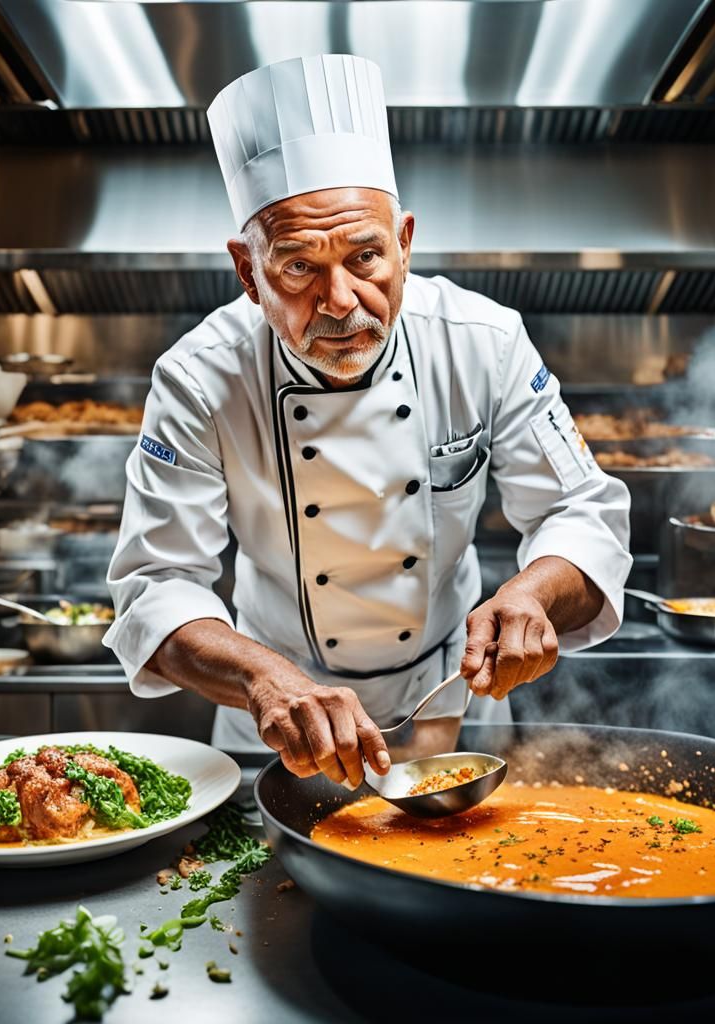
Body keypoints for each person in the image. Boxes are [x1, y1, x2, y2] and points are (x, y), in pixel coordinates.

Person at [104, 54, 631, 789]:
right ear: (247, 271)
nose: (341, 300)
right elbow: (155, 586)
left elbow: (583, 511)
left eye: (366, 256)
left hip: (455, 700)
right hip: (281, 721)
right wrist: (263, 681)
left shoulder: (485, 340)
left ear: (405, 243)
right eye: (298, 268)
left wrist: (532, 593)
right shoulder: (200, 378)